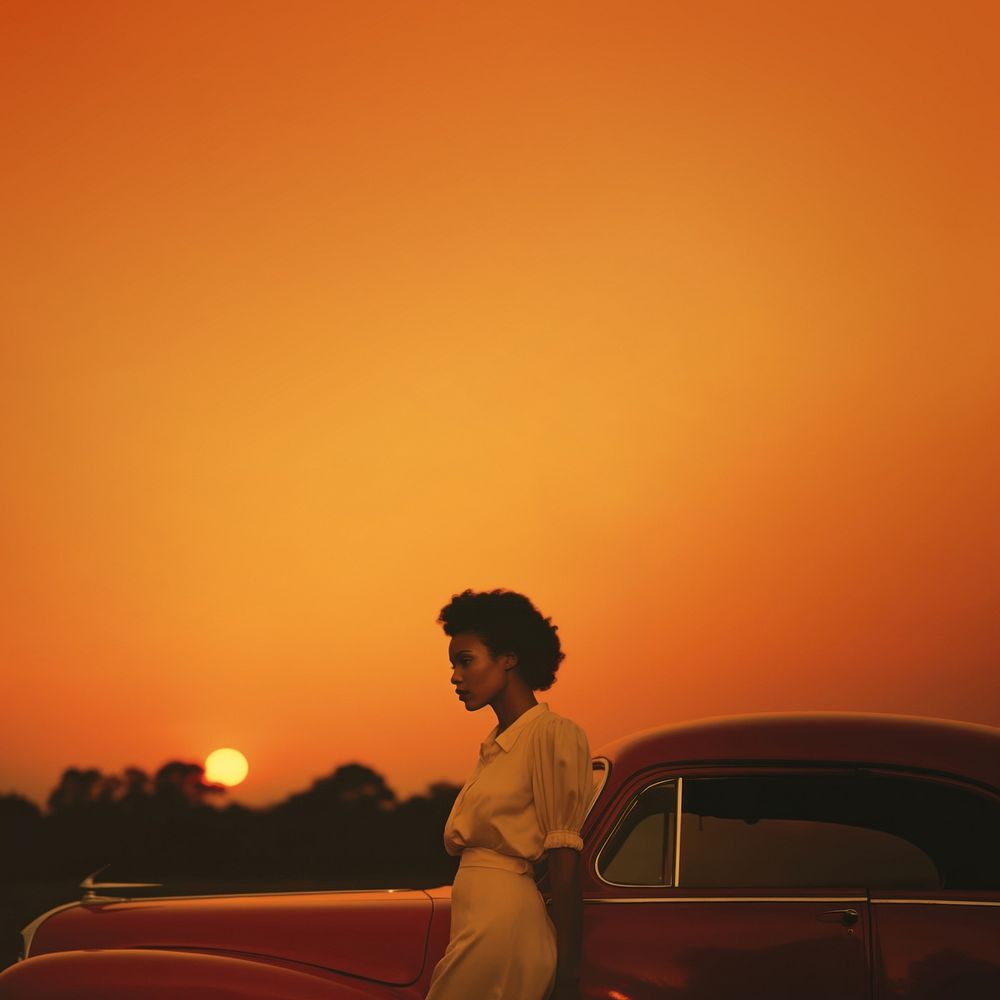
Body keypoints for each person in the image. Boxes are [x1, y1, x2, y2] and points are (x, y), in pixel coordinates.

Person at [425, 588, 591, 1000]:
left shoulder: (551, 735)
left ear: (509, 658)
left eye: (466, 661)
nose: (454, 676)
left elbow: (564, 858)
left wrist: (569, 971)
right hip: (474, 919)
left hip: (503, 924)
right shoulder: (497, 746)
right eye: (453, 664)